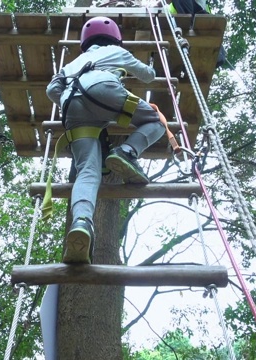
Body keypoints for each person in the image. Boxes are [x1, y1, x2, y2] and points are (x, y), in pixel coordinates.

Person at [46, 16, 166, 264]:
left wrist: (73, 103)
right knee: (155, 122)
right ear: (114, 37)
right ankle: (126, 152)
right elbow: (147, 76)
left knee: (87, 172)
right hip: (104, 89)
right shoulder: (116, 50)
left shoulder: (71, 64)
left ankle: (81, 222)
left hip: (71, 105)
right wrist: (151, 64)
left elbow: (51, 91)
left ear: (84, 42)